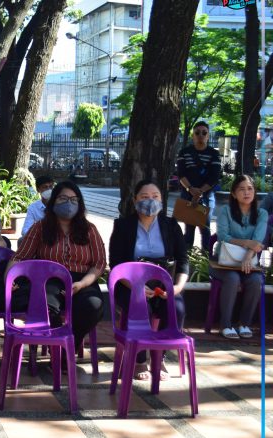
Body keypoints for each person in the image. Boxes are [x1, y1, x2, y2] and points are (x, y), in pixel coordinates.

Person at [7, 181, 106, 353]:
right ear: (53, 202)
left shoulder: (89, 229)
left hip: (82, 280)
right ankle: (56, 347)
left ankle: (69, 347)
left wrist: (82, 284)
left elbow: (99, 263)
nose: (69, 203)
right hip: (49, 280)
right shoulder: (40, 228)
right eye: (63, 198)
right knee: (46, 306)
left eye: (74, 200)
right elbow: (19, 257)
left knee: (93, 306)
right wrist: (8, 280)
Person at [109, 179, 188, 380]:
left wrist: (176, 287)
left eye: (155, 197)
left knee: (176, 308)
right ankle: (139, 358)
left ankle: (159, 356)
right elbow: (116, 263)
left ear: (162, 200)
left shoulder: (171, 226)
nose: (150, 201)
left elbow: (183, 260)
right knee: (141, 307)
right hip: (131, 285)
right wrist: (135, 286)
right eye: (145, 197)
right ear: (135, 200)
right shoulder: (123, 226)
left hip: (165, 285)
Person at [210, 174, 267, 339]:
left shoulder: (261, 213)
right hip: (222, 263)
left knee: (256, 281)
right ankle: (225, 325)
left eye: (250, 188)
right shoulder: (225, 211)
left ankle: (244, 323)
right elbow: (223, 237)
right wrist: (248, 243)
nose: (246, 192)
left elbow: (258, 239)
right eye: (241, 189)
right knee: (233, 278)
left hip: (247, 263)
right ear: (234, 194)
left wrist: (249, 255)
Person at [176, 121, 221, 251]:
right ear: (193, 135)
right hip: (187, 193)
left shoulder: (214, 154)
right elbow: (181, 174)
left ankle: (205, 261)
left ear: (208, 135)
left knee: (204, 227)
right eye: (197, 133)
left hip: (206, 195)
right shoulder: (184, 152)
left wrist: (200, 191)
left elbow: (214, 177)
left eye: (204, 133)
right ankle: (186, 258)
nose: (200, 135)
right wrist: (190, 189)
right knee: (189, 228)